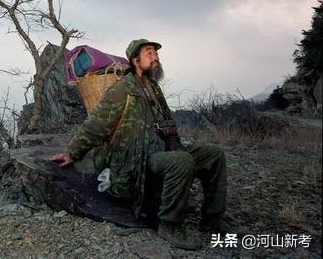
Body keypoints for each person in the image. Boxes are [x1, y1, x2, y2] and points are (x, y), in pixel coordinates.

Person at [50, 39, 232, 250]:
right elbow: (95, 125)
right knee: (182, 162)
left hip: (165, 149)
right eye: (149, 53)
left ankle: (212, 219)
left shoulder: (153, 87)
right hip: (138, 159)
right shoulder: (122, 90)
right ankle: (170, 225)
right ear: (135, 60)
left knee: (214, 154)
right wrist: (73, 153)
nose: (156, 57)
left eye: (156, 53)